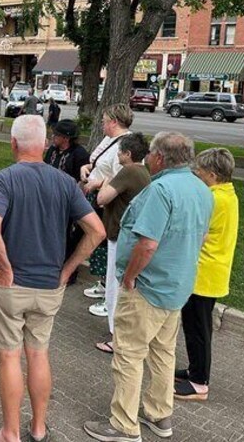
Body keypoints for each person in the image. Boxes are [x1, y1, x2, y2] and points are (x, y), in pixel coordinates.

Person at [0, 115, 105, 442]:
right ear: (45, 145)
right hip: (49, 286)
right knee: (38, 353)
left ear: (13, 143)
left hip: (10, 287)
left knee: (9, 355)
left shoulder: (5, 179)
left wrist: (4, 268)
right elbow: (97, 231)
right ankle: (39, 429)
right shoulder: (65, 182)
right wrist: (67, 270)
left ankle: (9, 433)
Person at [83, 132, 213, 442]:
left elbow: (147, 244)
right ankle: (159, 415)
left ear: (159, 157)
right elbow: (202, 236)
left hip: (148, 287)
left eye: (151, 154)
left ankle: (124, 425)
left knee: (129, 354)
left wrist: (129, 277)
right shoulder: (202, 189)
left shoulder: (161, 190)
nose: (149, 159)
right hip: (176, 286)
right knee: (163, 353)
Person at [175, 148, 239, 402]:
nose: (196, 174)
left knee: (197, 329)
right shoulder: (227, 193)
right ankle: (195, 369)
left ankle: (199, 382)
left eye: (199, 171)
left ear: (212, 174)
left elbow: (196, 233)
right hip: (213, 271)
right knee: (197, 327)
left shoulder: (211, 199)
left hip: (203, 272)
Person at [92, 133, 151, 354]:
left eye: (119, 151)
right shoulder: (144, 172)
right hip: (130, 235)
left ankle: (116, 334)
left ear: (127, 153)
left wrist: (105, 181)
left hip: (119, 234)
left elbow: (102, 198)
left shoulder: (129, 171)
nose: (117, 154)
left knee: (114, 284)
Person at [80, 104, 133, 317]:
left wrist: (98, 183)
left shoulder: (125, 144)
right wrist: (86, 168)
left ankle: (110, 299)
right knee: (98, 242)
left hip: (108, 200)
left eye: (104, 121)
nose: (101, 124)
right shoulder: (108, 139)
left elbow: (121, 178)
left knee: (106, 244)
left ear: (114, 122)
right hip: (95, 195)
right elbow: (96, 161)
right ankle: (103, 284)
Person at [44, 119, 90, 286]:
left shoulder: (79, 154)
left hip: (68, 202)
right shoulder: (53, 150)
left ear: (66, 138)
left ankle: (68, 272)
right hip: (49, 199)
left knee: (65, 236)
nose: (52, 137)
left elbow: (82, 181)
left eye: (56, 135)